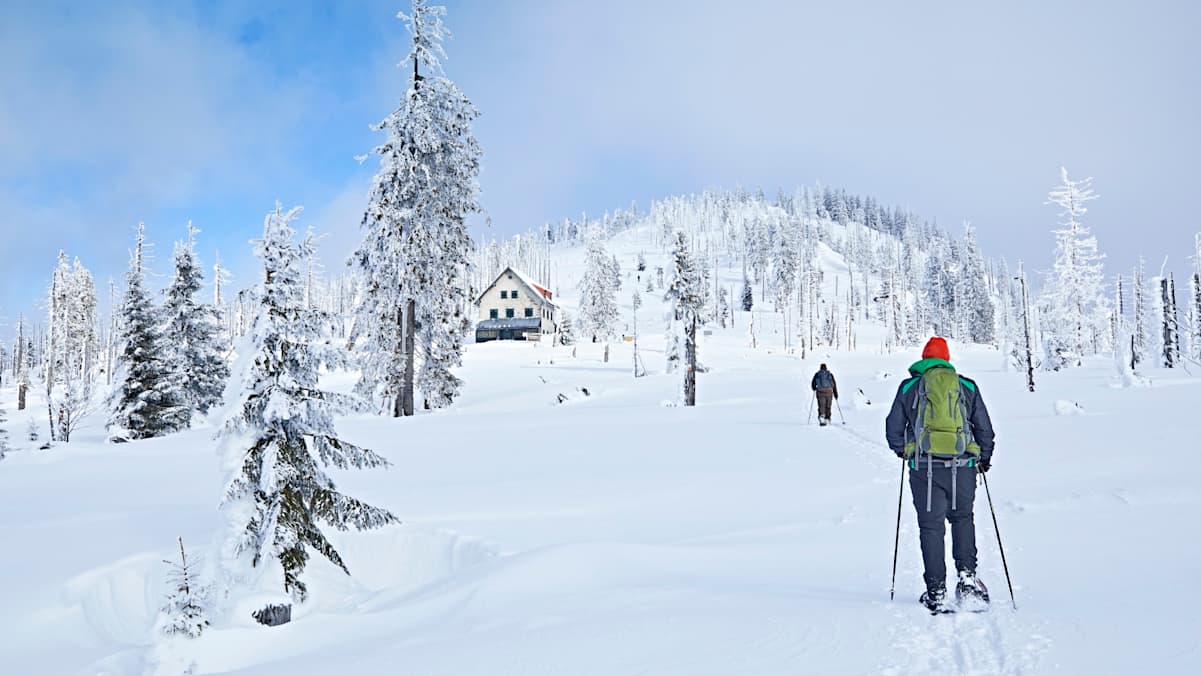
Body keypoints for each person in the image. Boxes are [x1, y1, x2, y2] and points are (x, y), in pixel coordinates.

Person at [885, 337, 995, 613]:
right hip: (963, 468)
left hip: (925, 469)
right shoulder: (966, 386)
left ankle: (936, 591)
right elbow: (984, 429)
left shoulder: (909, 387)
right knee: (962, 519)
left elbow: (893, 427)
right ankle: (968, 580)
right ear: (946, 358)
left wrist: (905, 451)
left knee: (931, 527)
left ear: (924, 359)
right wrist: (984, 458)